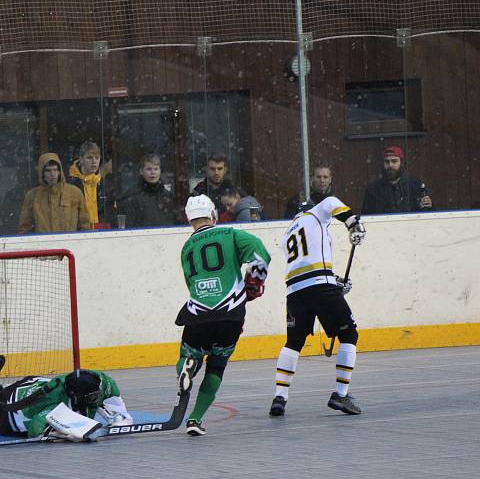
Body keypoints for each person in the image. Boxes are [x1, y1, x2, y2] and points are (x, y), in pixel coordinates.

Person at [176, 195, 271, 436]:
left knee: (189, 353)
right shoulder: (231, 235)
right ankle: (195, 419)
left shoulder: (187, 248)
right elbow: (260, 255)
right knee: (217, 366)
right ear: (213, 214)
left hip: (198, 314)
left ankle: (187, 366)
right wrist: (254, 283)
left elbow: (191, 283)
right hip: (230, 315)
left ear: (189, 220)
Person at [269, 196, 366, 417]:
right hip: (320, 287)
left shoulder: (287, 235)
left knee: (293, 343)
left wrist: (334, 283)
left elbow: (306, 265)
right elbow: (331, 201)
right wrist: (352, 222)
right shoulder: (315, 213)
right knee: (349, 335)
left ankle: (279, 397)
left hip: (295, 291)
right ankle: (341, 394)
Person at [0, 367, 133, 439]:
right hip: (11, 414)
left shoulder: (101, 380)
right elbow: (34, 429)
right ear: (76, 395)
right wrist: (59, 433)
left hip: (26, 388)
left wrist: (119, 418)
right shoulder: (57, 405)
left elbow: (121, 412)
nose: (97, 398)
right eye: (91, 396)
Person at [17, 152, 90, 233]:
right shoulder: (33, 196)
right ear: (42, 173)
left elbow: (85, 226)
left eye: (55, 170)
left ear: (60, 171)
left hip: (69, 244)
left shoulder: (75, 193)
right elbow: (24, 229)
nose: (52, 174)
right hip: (43, 245)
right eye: (48, 171)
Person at [361, 146, 433, 214]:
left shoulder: (415, 185)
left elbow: (426, 215)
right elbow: (367, 217)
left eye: (394, 161)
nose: (390, 165)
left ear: (401, 163)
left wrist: (429, 206)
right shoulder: (373, 189)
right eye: (387, 162)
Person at [118, 153, 181, 228]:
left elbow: (177, 224)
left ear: (160, 171)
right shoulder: (131, 197)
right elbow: (128, 228)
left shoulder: (168, 197)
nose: (153, 172)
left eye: (156, 169)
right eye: (149, 169)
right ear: (141, 171)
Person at [66, 141, 114, 228]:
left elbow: (110, 213)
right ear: (81, 159)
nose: (94, 161)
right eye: (89, 158)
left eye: (97, 158)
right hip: (79, 233)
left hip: (102, 232)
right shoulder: (70, 184)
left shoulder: (104, 184)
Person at [192, 154, 249, 222]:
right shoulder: (199, 191)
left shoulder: (233, 188)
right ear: (206, 169)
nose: (216, 172)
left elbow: (249, 206)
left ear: (225, 170)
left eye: (220, 169)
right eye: (212, 169)